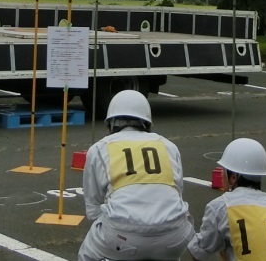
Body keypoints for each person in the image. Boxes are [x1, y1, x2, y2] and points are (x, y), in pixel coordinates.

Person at [79, 90, 193, 261]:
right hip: (175, 235)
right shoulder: (168, 146)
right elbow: (177, 192)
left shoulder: (100, 148)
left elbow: (94, 208)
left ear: (111, 123)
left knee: (86, 255)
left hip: (123, 237)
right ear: (147, 122)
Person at [188, 138, 266, 261]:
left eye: (223, 170)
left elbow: (199, 254)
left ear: (233, 177)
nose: (221, 175)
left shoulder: (220, 206)